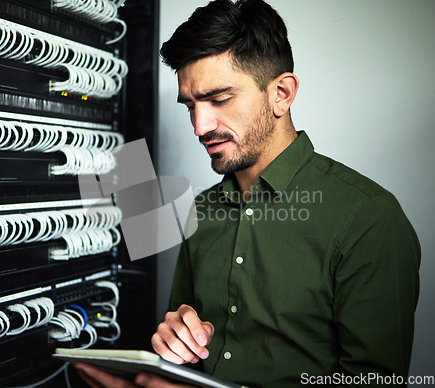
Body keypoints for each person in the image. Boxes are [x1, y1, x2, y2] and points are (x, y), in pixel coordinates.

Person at [75, 0, 421, 386]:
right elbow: (181, 357)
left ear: (282, 93)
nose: (200, 127)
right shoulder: (203, 209)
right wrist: (174, 341)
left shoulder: (368, 218)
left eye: (219, 99)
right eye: (191, 106)